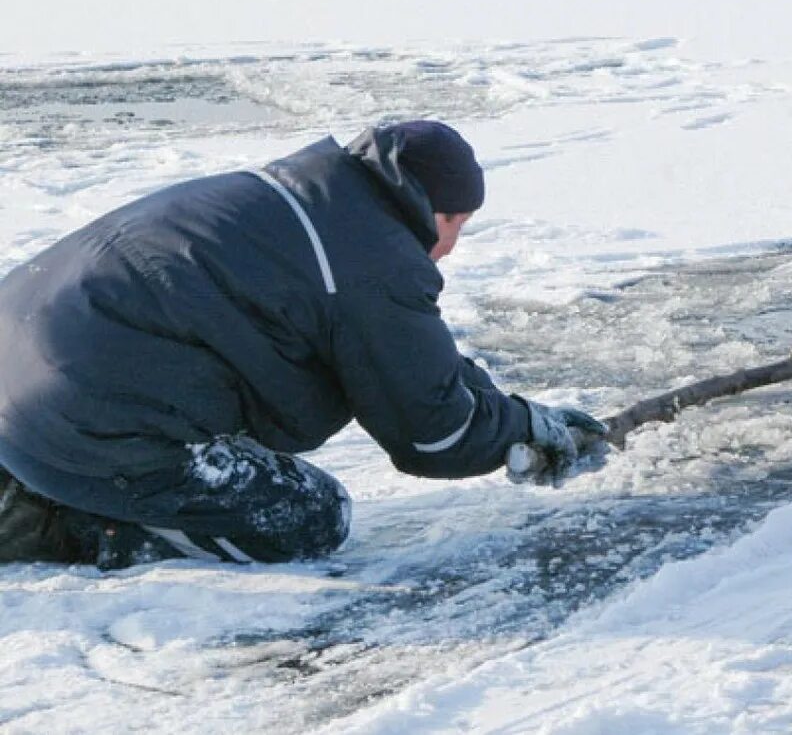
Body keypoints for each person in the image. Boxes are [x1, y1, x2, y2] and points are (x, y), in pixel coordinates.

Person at [0, 121, 607, 569]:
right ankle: (60, 528)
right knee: (306, 518)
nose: (451, 247)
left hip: (21, 375)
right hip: (83, 419)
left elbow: (410, 361)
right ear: (436, 209)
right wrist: (523, 425)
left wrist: (510, 411)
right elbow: (433, 432)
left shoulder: (295, 197)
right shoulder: (373, 259)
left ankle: (28, 479)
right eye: (459, 225)